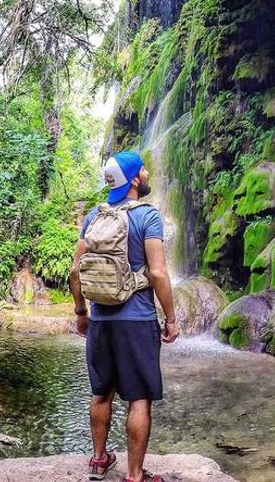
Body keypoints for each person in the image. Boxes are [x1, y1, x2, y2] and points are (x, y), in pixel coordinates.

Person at [69, 150, 180, 482]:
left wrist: (81, 312)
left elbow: (76, 271)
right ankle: (135, 475)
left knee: (101, 393)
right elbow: (158, 273)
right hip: (137, 320)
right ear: (134, 179)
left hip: (101, 321)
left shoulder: (93, 217)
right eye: (142, 170)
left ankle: (99, 460)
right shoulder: (148, 216)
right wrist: (171, 318)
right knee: (139, 398)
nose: (146, 173)